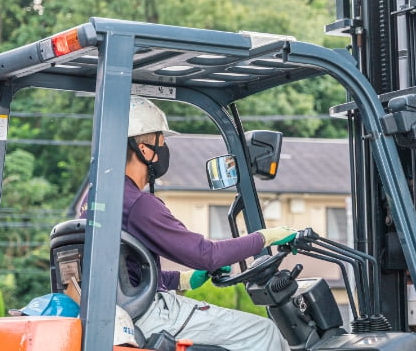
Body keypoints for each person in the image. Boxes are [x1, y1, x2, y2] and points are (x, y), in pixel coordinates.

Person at [122, 96, 297, 350]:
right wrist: (268, 236)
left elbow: (126, 274)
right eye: (161, 141)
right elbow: (207, 255)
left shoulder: (98, 199)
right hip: (150, 314)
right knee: (264, 332)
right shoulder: (139, 204)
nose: (164, 150)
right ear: (145, 149)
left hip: (128, 313)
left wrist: (183, 280)